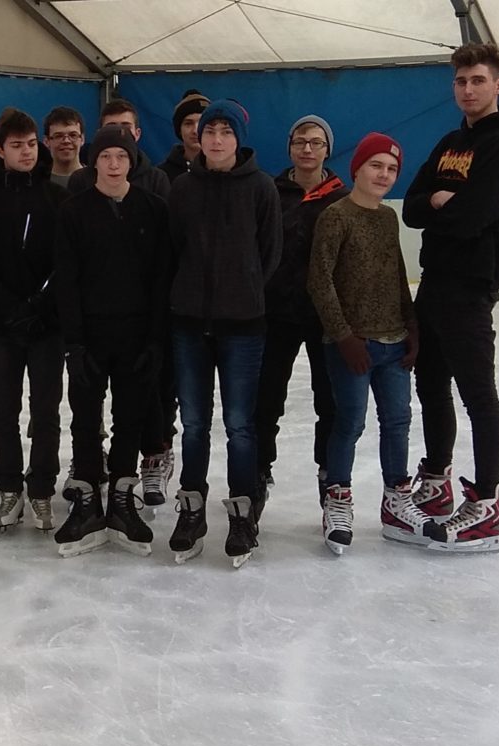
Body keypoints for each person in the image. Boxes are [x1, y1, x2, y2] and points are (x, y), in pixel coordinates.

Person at [402, 42, 499, 554]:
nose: (468, 89)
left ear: (498, 85)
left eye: (478, 80)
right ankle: (436, 481)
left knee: (478, 396)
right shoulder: (450, 142)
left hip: (471, 288)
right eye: (461, 81)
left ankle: (487, 505)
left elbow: (477, 216)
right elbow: (411, 207)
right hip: (433, 283)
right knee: (431, 385)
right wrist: (437, 200)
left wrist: (443, 208)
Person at [308, 132, 446, 555]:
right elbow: (319, 281)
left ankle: (396, 499)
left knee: (398, 421)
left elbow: (396, 276)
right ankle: (338, 498)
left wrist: (412, 326)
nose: (384, 175)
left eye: (392, 169)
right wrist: (343, 336)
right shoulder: (336, 216)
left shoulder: (388, 218)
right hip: (353, 345)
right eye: (376, 165)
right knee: (349, 423)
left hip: (393, 341)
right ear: (358, 169)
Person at [165, 98, 281, 567]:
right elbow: (173, 249)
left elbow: (269, 253)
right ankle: (191, 510)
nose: (216, 140)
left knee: (239, 425)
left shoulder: (261, 188)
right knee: (194, 424)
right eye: (209, 131)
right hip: (190, 326)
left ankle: (241, 513)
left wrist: (244, 292)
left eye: (225, 132)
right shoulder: (183, 188)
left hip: (243, 328)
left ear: (238, 139)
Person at [55, 124, 173, 558]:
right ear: (94, 162)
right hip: (89, 337)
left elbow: (161, 278)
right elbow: (66, 280)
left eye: (121, 156)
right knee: (85, 419)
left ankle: (123, 500)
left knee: (130, 420)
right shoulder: (74, 211)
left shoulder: (153, 209)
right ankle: (87, 500)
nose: (113, 164)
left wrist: (156, 339)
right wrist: (74, 343)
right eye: (105, 156)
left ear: (131, 161)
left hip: (137, 336)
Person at [0, 108, 67, 534]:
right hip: (1, 326)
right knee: (4, 411)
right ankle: (10, 487)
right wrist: (7, 307)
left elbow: (66, 261)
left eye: (31, 144)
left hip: (45, 326)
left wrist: (40, 304)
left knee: (45, 411)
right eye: (16, 146)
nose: (26, 152)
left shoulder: (56, 197)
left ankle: (41, 489)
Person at [254, 116, 346, 503]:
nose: (307, 149)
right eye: (300, 142)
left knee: (330, 399)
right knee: (266, 398)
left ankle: (329, 473)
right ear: (290, 147)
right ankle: (259, 468)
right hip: (276, 313)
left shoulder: (341, 198)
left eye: (316, 142)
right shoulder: (270, 193)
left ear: (327, 149)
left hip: (325, 317)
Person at [66, 99, 171, 199]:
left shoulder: (156, 179)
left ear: (137, 133)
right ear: (99, 133)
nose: (118, 132)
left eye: (126, 127)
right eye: (110, 127)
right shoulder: (81, 179)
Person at [159, 89, 209, 181]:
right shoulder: (161, 175)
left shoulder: (223, 170)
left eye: (201, 122)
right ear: (179, 130)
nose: (195, 130)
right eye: (188, 124)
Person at [42, 106, 86, 189]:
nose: (66, 141)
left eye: (73, 135)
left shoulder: (98, 181)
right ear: (46, 141)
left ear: (82, 139)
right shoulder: (36, 183)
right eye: (58, 136)